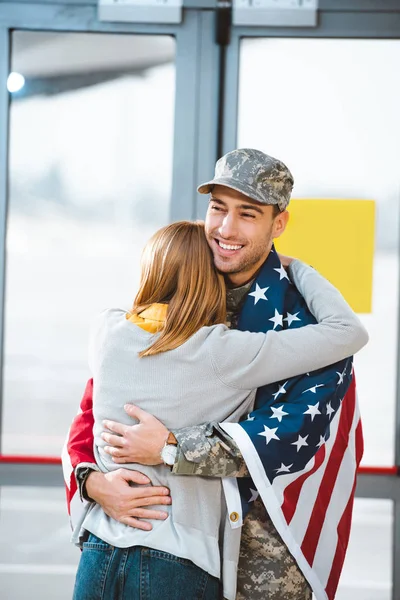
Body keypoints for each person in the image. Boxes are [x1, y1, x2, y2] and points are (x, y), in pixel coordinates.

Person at [64, 149, 367, 600]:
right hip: (165, 549)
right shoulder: (181, 298)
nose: (226, 228)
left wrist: (169, 447)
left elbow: (290, 434)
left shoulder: (299, 322)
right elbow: (95, 411)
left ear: (277, 225)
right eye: (217, 208)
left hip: (262, 568)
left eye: (248, 213)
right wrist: (92, 482)